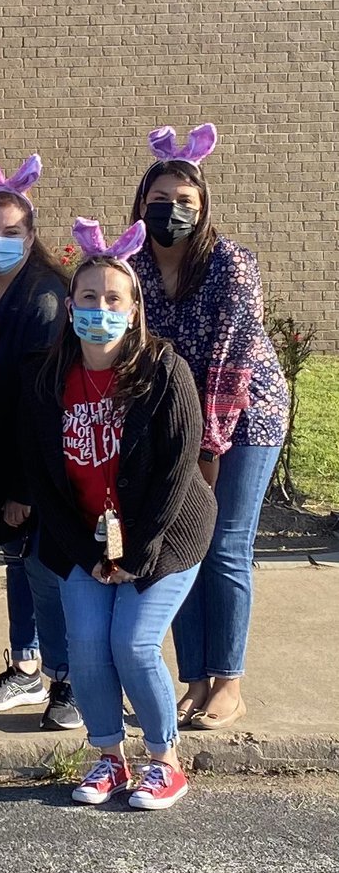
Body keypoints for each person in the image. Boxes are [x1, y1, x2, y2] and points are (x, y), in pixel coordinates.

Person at [18, 217, 216, 809]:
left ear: (133, 310)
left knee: (132, 643)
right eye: (87, 297)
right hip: (84, 537)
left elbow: (179, 473)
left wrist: (135, 556)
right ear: (70, 305)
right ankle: (108, 756)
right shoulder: (47, 377)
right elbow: (43, 483)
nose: (98, 307)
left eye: (112, 298)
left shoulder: (164, 371)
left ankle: (165, 760)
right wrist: (90, 555)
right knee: (85, 645)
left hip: (166, 535)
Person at [128, 124, 288, 731]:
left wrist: (210, 446)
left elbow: (231, 358)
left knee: (223, 545)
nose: (173, 211)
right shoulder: (134, 268)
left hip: (243, 418)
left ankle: (228, 680)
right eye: (161, 201)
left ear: (204, 209)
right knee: (178, 545)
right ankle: (192, 676)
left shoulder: (231, 265)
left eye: (186, 203)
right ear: (142, 206)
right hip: (174, 424)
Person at [0, 152, 81, 731]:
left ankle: (69, 677)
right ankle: (26, 665)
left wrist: (23, 485)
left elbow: (40, 399)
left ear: (30, 238)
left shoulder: (46, 297)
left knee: (43, 567)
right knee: (15, 562)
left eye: (10, 233)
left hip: (35, 450)